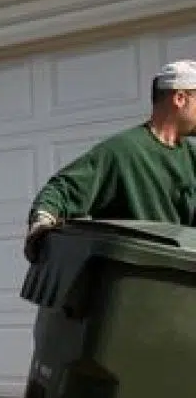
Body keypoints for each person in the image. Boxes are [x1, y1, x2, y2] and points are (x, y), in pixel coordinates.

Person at [25, 59, 196, 261]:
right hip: (136, 277)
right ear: (180, 98)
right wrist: (42, 222)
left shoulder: (191, 158)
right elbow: (62, 189)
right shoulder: (123, 152)